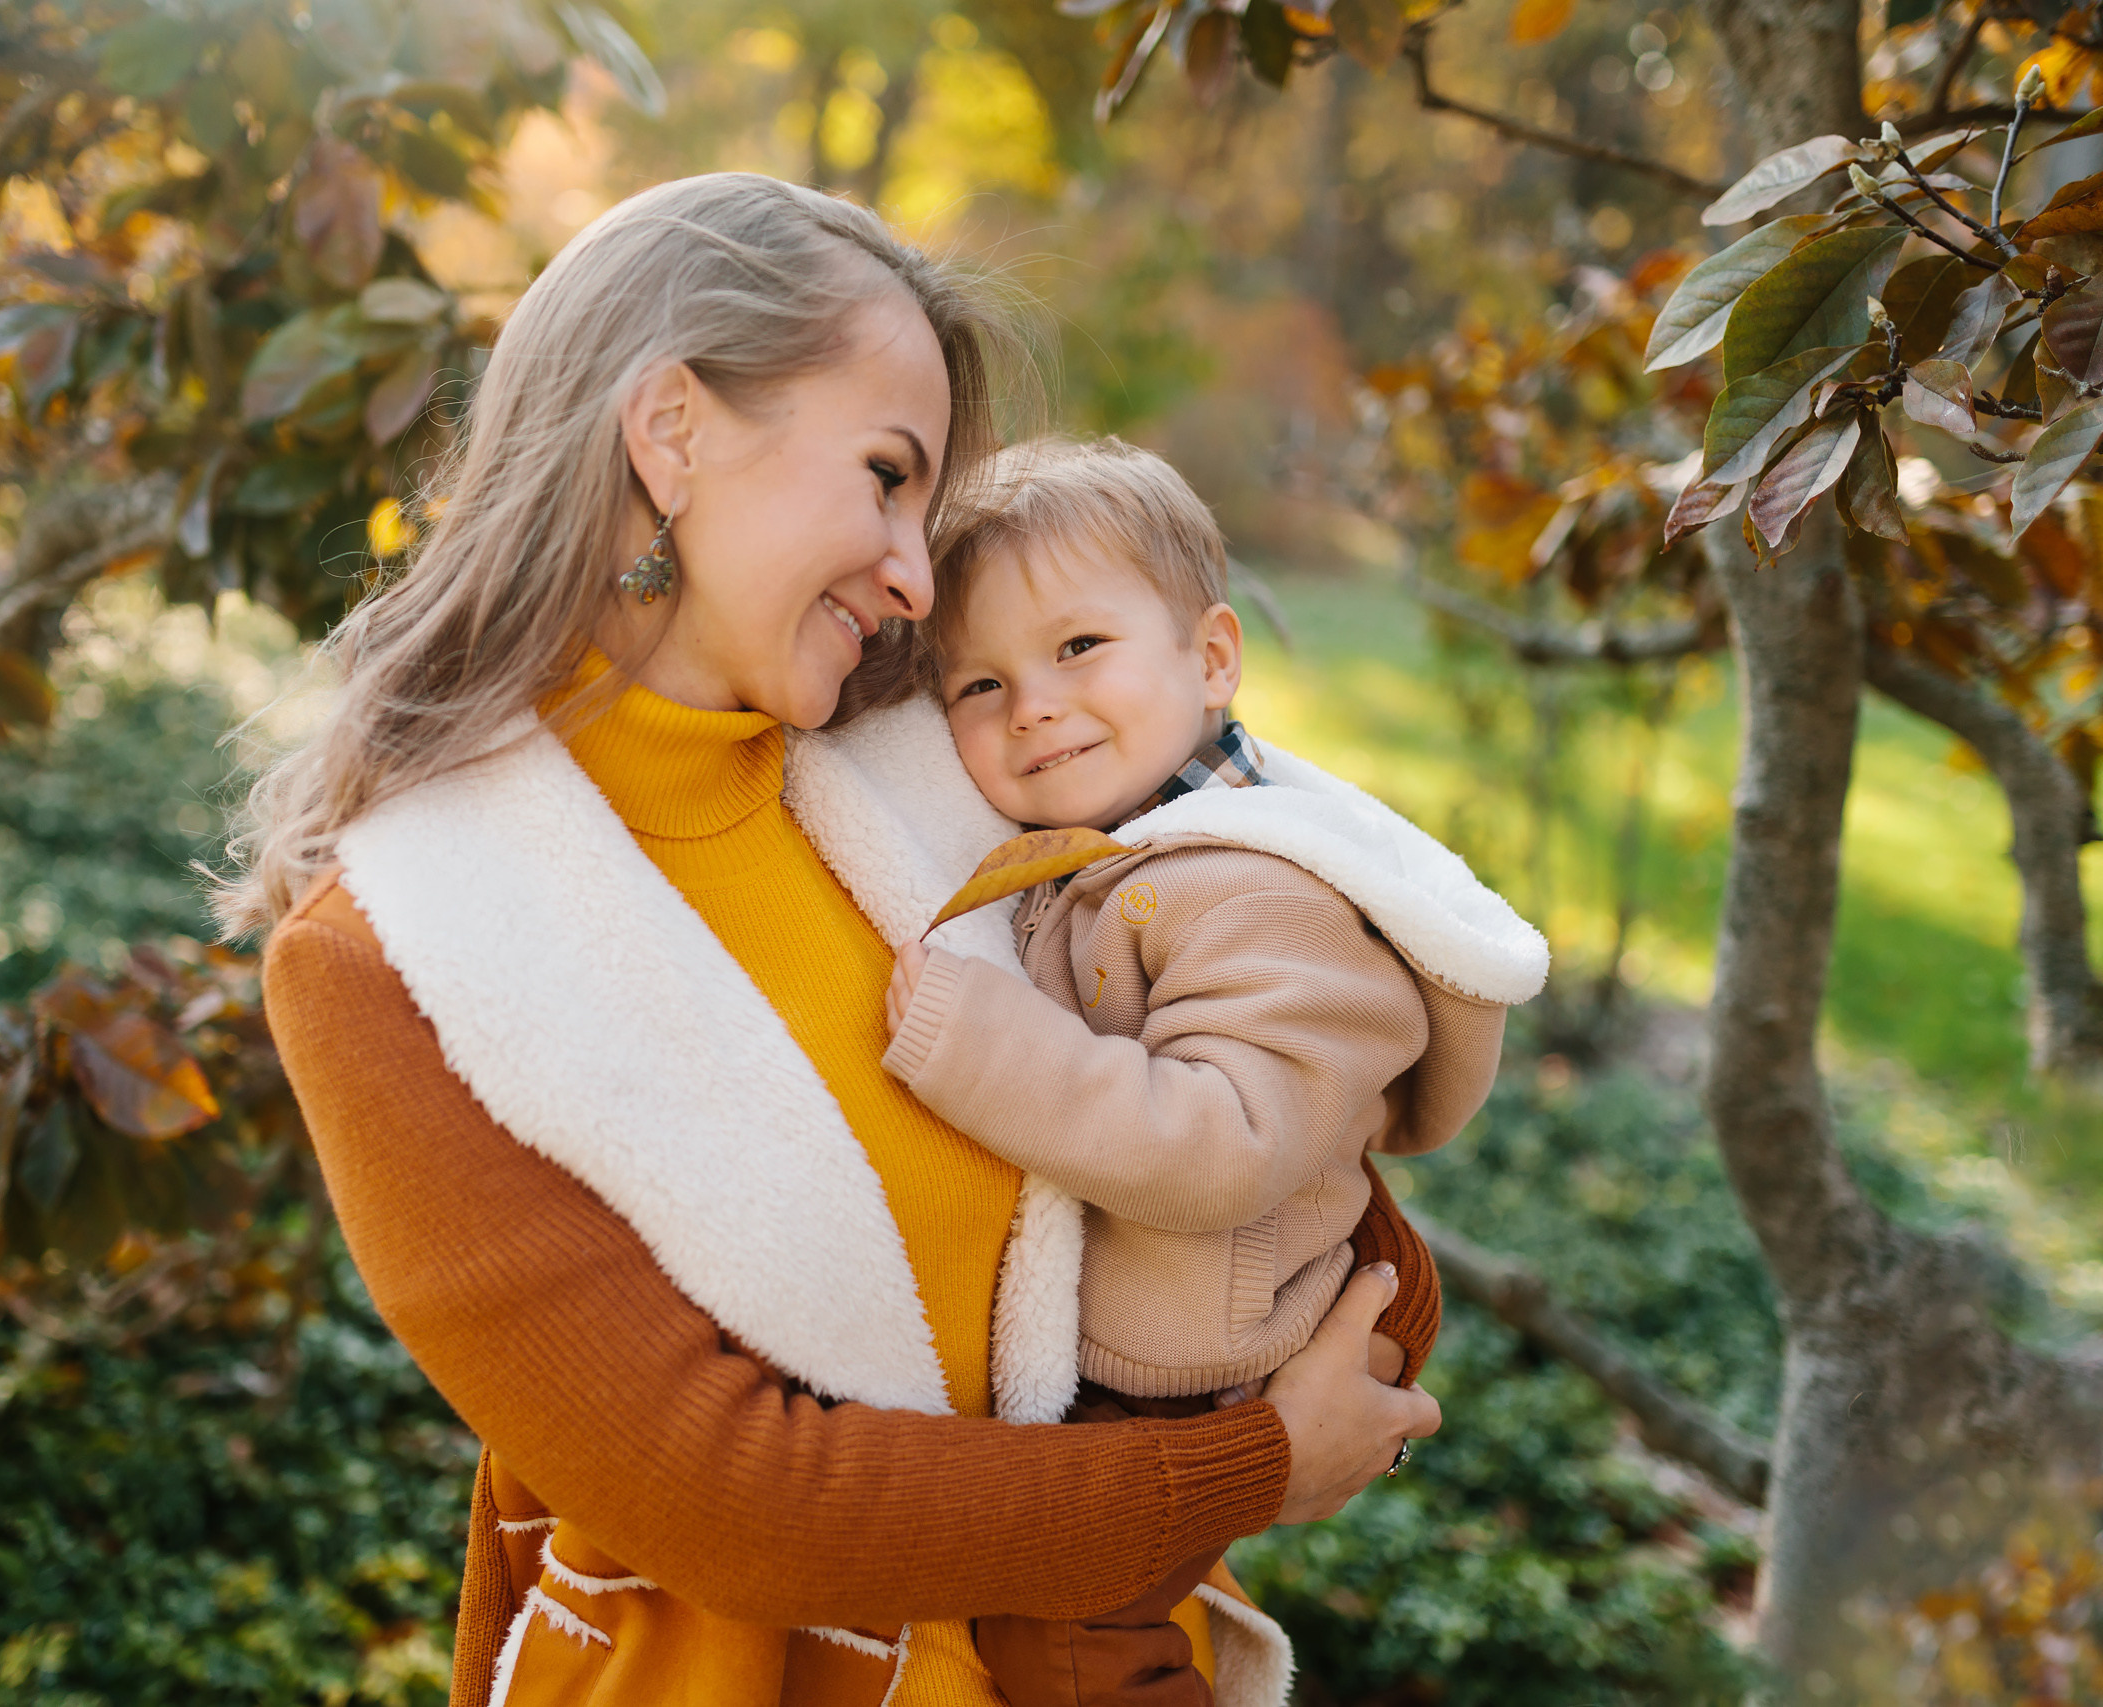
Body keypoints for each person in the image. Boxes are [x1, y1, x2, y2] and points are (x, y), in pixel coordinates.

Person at [227, 174, 1443, 1707]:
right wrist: (1248, 1464)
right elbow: (732, 1498)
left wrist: (1355, 1323)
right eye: (884, 476)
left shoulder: (949, 769)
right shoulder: (397, 950)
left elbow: (1298, 1126)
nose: (918, 577)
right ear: (672, 430)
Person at [877, 437, 1548, 1706]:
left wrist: (984, 1049)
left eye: (1079, 647)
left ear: (1212, 659)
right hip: (1128, 1357)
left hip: (1177, 1382)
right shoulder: (1113, 848)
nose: (1032, 706)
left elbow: (1225, 1145)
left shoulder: (1255, 889)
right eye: (979, 683)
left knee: (1067, 1650)